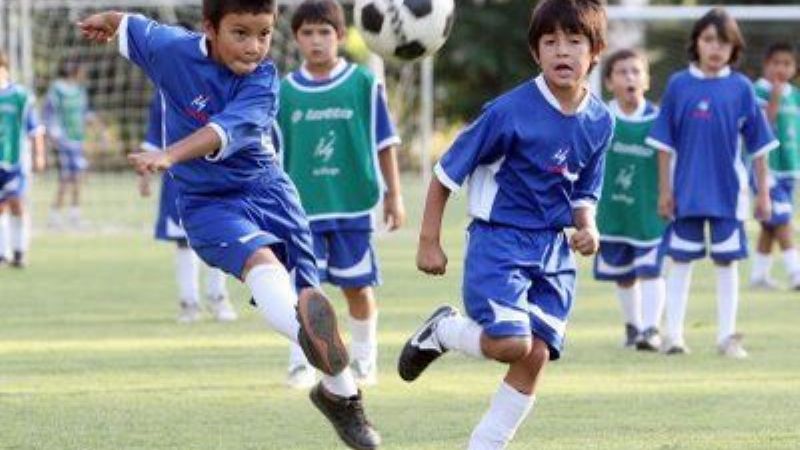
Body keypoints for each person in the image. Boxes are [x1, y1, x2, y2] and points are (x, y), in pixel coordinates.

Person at [77, 2, 380, 448]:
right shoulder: (171, 49)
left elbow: (221, 131)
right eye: (240, 33)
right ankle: (345, 394)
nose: (254, 47)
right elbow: (131, 25)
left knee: (308, 298)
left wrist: (170, 154)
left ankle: (336, 392)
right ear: (209, 28)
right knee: (266, 269)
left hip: (272, 194)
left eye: (264, 34)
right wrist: (107, 20)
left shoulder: (264, 81)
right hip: (209, 204)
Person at [397, 1, 611, 448]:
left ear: (595, 51)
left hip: (554, 250)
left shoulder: (600, 121)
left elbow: (584, 192)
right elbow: (445, 174)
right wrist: (428, 241)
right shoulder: (508, 111)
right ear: (536, 52)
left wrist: (587, 228)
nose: (562, 50)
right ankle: (445, 330)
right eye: (550, 41)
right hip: (500, 243)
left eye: (574, 41)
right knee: (513, 344)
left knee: (536, 355)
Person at [277, 0, 404, 389]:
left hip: (353, 204)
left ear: (341, 36)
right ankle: (300, 362)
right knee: (302, 292)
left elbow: (384, 142)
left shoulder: (363, 84)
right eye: (308, 33)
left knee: (357, 288)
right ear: (296, 38)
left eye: (325, 32)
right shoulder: (284, 91)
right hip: (302, 209)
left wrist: (394, 196)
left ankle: (365, 358)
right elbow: (274, 152)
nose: (316, 41)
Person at [647, 8, 778, 359]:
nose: (716, 48)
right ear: (696, 43)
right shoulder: (678, 84)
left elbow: (759, 147)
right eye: (708, 40)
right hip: (685, 192)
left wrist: (763, 193)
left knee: (727, 263)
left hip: (729, 194)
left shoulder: (741, 88)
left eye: (724, 42)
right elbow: (663, 145)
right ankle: (673, 335)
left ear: (734, 47)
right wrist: (665, 191)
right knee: (680, 262)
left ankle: (726, 337)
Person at [138, 93, 237, 323]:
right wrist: (144, 175)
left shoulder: (220, 86)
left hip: (217, 175)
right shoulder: (164, 93)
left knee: (220, 236)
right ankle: (188, 301)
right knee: (184, 240)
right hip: (178, 178)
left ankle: (218, 297)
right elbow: (154, 137)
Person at [593, 48, 666, 352]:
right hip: (612, 210)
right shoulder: (600, 117)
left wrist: (669, 194)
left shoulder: (659, 119)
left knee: (651, 269)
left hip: (649, 209)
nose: (630, 78)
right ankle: (633, 326)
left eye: (636, 71)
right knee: (623, 274)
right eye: (622, 72)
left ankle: (651, 329)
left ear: (646, 80)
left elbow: (670, 160)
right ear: (610, 82)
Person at [749, 42, 800, 290]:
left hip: (790, 169)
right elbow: (761, 127)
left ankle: (759, 277)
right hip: (766, 170)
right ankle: (796, 273)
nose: (781, 68)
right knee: (783, 220)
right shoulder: (758, 91)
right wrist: (775, 99)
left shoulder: (795, 95)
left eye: (787, 64)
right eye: (776, 63)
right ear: (766, 64)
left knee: (771, 224)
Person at [0, 50, 46, 268]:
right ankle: (3, 253)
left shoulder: (20, 96)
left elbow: (35, 129)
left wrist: (39, 155)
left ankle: (19, 251)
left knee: (17, 203)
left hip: (15, 161)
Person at [44, 59, 94, 229]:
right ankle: (54, 215)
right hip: (63, 141)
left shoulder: (81, 91)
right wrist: (52, 135)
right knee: (65, 178)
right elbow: (48, 113)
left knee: (79, 177)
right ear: (74, 71)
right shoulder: (57, 89)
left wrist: (97, 129)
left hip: (77, 141)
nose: (85, 74)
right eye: (82, 71)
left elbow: (85, 113)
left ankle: (75, 215)